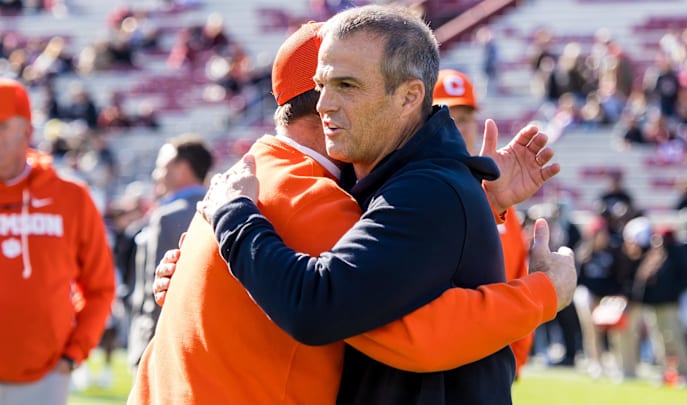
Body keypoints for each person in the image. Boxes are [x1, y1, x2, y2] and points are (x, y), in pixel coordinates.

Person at [135, 19, 571, 404]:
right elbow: (419, 335)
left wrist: (479, 204)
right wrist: (544, 292)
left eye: (345, 85)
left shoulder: (261, 172)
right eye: (333, 85)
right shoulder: (310, 198)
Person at [0, 78, 116, 405]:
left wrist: (73, 353)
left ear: (26, 130)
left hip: (44, 376)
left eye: (2, 126)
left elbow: (100, 286)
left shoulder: (70, 197)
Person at [433, 68, 533, 376]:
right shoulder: (412, 187)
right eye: (447, 117)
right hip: (437, 360)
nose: (458, 128)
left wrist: (514, 358)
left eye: (464, 118)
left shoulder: (496, 192)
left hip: (490, 367)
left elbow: (517, 275)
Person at [126, 135, 213, 371]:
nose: (157, 174)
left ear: (182, 168)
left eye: (162, 166)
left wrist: (142, 347)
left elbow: (153, 292)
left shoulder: (167, 216)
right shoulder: (222, 205)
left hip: (162, 343)